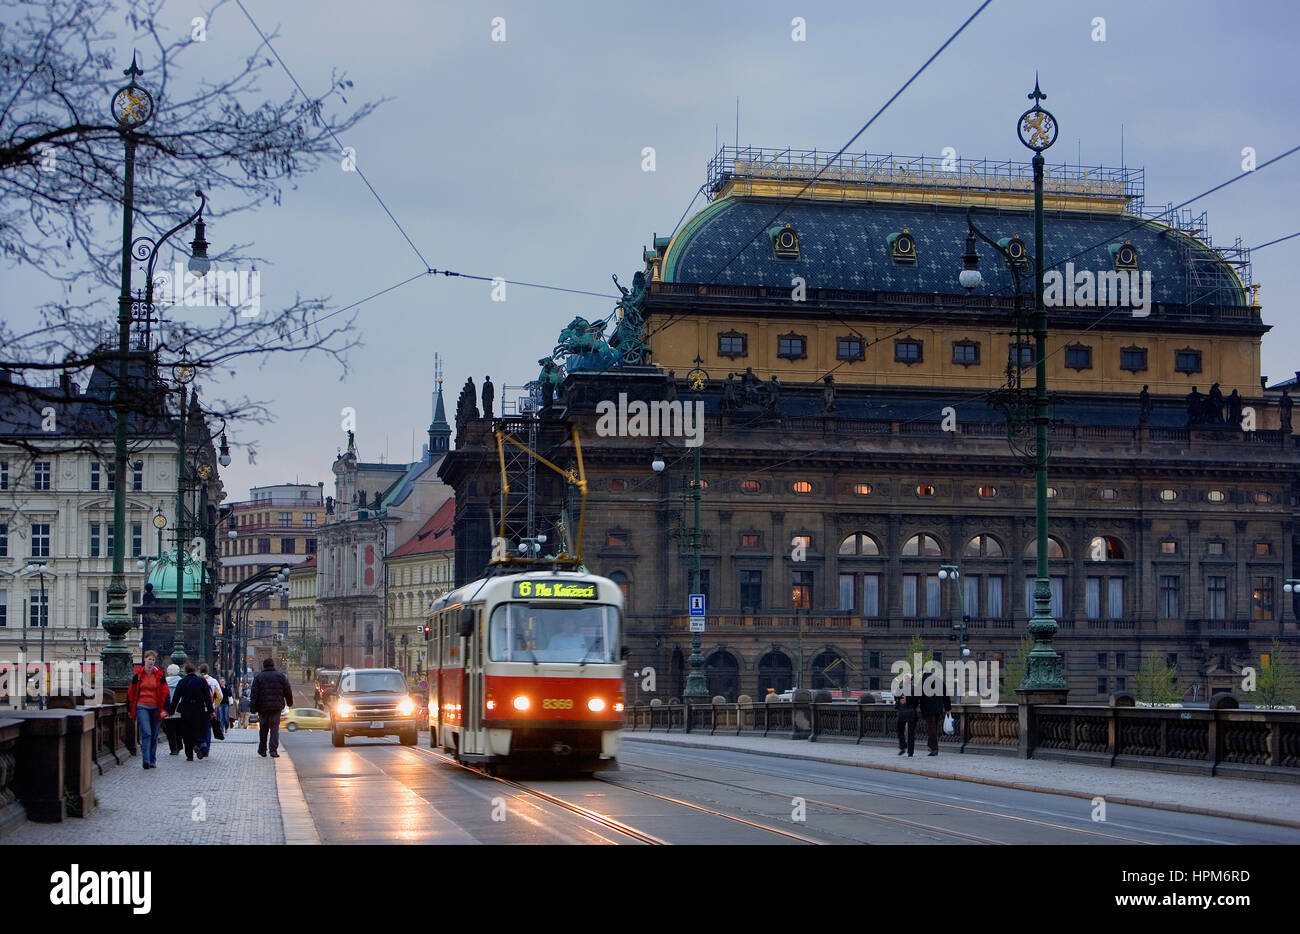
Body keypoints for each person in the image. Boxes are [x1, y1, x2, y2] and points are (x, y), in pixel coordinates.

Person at [127, 650, 170, 770]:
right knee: (147, 733)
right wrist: (130, 709)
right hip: (142, 706)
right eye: (149, 659)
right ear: (144, 659)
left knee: (154, 735)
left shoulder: (160, 676)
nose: (151, 661)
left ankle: (152, 760)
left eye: (153, 660)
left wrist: (165, 709)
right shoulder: (138, 675)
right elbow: (131, 692)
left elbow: (165, 692)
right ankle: (145, 760)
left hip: (156, 707)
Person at [166, 663, 214, 761]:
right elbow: (207, 698)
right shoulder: (202, 681)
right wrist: (211, 710)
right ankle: (200, 744)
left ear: (185, 671)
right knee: (198, 729)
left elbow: (176, 699)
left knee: (187, 732)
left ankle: (189, 755)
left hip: (186, 710)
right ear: (195, 670)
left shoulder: (182, 682)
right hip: (199, 710)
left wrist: (170, 711)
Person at [250, 658, 293, 758]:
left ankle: (262, 750)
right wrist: (289, 702)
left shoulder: (258, 677)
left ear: (263, 666)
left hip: (262, 708)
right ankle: (273, 751)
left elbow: (254, 694)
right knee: (274, 729)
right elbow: (288, 690)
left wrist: (253, 708)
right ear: (273, 665)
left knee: (263, 729)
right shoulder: (280, 676)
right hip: (276, 707)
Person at [918, 680, 952, 757]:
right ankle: (931, 746)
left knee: (930, 729)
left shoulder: (922, 682)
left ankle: (934, 748)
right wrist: (948, 708)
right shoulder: (939, 681)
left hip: (928, 710)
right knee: (934, 728)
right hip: (938, 709)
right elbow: (946, 696)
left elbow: (918, 697)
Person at [198, 664, 222, 757]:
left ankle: (200, 744)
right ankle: (206, 750)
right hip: (209, 708)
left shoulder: (197, 680)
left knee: (198, 727)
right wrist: (214, 706)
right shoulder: (213, 681)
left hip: (198, 708)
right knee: (207, 728)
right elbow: (220, 696)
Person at [894, 674, 918, 757]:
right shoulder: (914, 689)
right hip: (911, 712)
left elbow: (896, 699)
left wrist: (901, 701)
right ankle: (910, 752)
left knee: (900, 731)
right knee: (911, 733)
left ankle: (903, 746)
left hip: (902, 712)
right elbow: (917, 700)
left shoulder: (900, 688)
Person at [162, 663, 183, 756]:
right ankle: (179, 745)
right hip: (179, 709)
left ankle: (173, 748)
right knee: (178, 728)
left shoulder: (165, 682)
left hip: (168, 708)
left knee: (170, 730)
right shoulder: (181, 681)